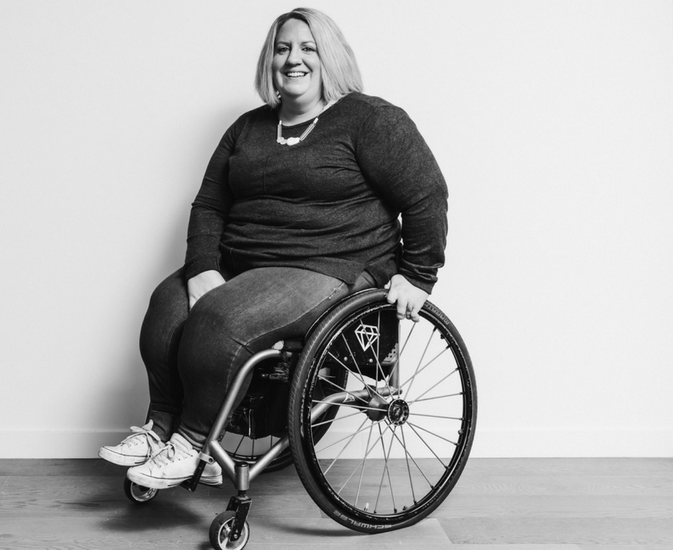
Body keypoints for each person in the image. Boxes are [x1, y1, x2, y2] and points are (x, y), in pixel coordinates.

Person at [99, 7, 448, 490]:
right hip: (244, 265)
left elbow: (426, 193)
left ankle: (193, 445)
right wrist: (202, 267)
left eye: (308, 48)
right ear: (270, 59)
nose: (293, 59)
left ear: (331, 57)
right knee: (167, 305)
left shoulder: (369, 119)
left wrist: (419, 274)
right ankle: (160, 427)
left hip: (331, 266)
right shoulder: (248, 127)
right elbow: (208, 205)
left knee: (220, 318)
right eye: (283, 48)